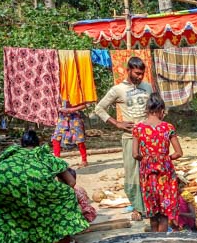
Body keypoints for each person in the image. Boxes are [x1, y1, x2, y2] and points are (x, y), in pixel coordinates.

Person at [0, 130, 89, 243]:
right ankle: (61, 240)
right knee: (67, 194)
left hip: (3, 187)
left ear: (22, 144)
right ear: (38, 144)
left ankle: (6, 242)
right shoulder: (44, 155)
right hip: (37, 187)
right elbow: (71, 182)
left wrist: (15, 196)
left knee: (11, 204)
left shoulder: (9, 156)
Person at [94, 56, 154, 221]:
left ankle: (150, 206)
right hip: (129, 137)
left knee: (149, 172)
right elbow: (99, 108)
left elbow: (156, 107)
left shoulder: (147, 87)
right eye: (136, 73)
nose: (140, 77)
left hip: (148, 138)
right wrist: (116, 123)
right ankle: (137, 207)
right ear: (128, 71)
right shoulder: (118, 89)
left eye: (142, 73)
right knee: (132, 174)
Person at [132, 93, 183, 232]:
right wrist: (164, 158)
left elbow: (135, 154)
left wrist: (147, 160)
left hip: (147, 173)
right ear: (161, 110)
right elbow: (179, 153)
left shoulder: (138, 128)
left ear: (147, 110)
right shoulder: (168, 127)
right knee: (164, 213)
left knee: (153, 213)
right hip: (165, 172)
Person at [51, 100, 89, 167]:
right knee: (56, 137)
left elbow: (85, 104)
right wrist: (60, 108)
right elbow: (54, 104)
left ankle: (84, 160)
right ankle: (57, 161)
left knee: (79, 138)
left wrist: (72, 109)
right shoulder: (58, 91)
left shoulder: (77, 92)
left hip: (75, 117)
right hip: (62, 117)